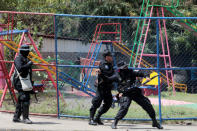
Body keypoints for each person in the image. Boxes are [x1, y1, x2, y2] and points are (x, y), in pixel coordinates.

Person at [111, 61, 163, 129]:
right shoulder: (117, 75)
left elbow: (141, 73)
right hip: (126, 93)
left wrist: (146, 76)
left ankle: (154, 122)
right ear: (120, 68)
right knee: (124, 107)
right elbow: (109, 80)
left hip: (135, 92)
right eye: (124, 67)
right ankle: (115, 122)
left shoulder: (131, 72)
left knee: (147, 104)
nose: (126, 68)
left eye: (126, 66)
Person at [89, 50, 119, 125]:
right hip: (102, 87)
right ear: (107, 57)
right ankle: (91, 119)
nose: (112, 57)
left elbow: (111, 74)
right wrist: (113, 75)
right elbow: (107, 74)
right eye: (110, 56)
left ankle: (97, 117)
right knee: (96, 102)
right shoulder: (103, 64)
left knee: (108, 103)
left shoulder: (110, 64)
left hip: (108, 87)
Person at [12, 44, 34, 124]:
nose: (28, 52)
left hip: (25, 81)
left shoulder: (26, 58)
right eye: (27, 51)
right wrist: (28, 64)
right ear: (23, 51)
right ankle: (25, 118)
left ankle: (16, 117)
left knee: (21, 99)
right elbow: (20, 68)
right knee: (25, 99)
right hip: (19, 82)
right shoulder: (18, 58)